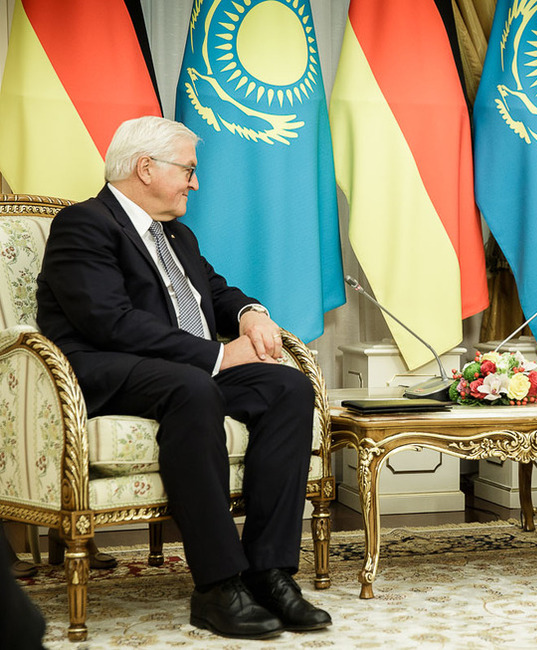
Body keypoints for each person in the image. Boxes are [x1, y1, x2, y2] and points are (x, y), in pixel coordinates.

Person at [35, 116, 331, 639]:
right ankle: (218, 586)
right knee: (191, 386)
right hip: (102, 369)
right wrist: (217, 359)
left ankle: (270, 572)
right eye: (188, 170)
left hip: (175, 369)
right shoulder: (84, 224)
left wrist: (250, 315)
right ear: (145, 168)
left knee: (286, 386)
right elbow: (111, 323)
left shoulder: (176, 233)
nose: (195, 182)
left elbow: (214, 293)